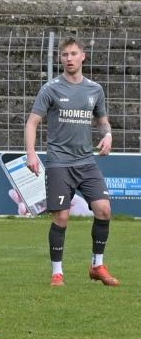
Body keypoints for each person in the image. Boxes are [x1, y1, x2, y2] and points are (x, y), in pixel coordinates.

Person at [25, 36, 119, 287]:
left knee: (104, 209)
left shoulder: (94, 90)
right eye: (65, 54)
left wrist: (108, 134)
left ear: (83, 56)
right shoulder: (51, 88)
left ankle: (97, 266)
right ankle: (57, 272)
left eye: (73, 54)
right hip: (58, 162)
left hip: (86, 162)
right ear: (60, 58)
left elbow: (102, 120)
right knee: (62, 217)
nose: (69, 58)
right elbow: (32, 122)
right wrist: (31, 153)